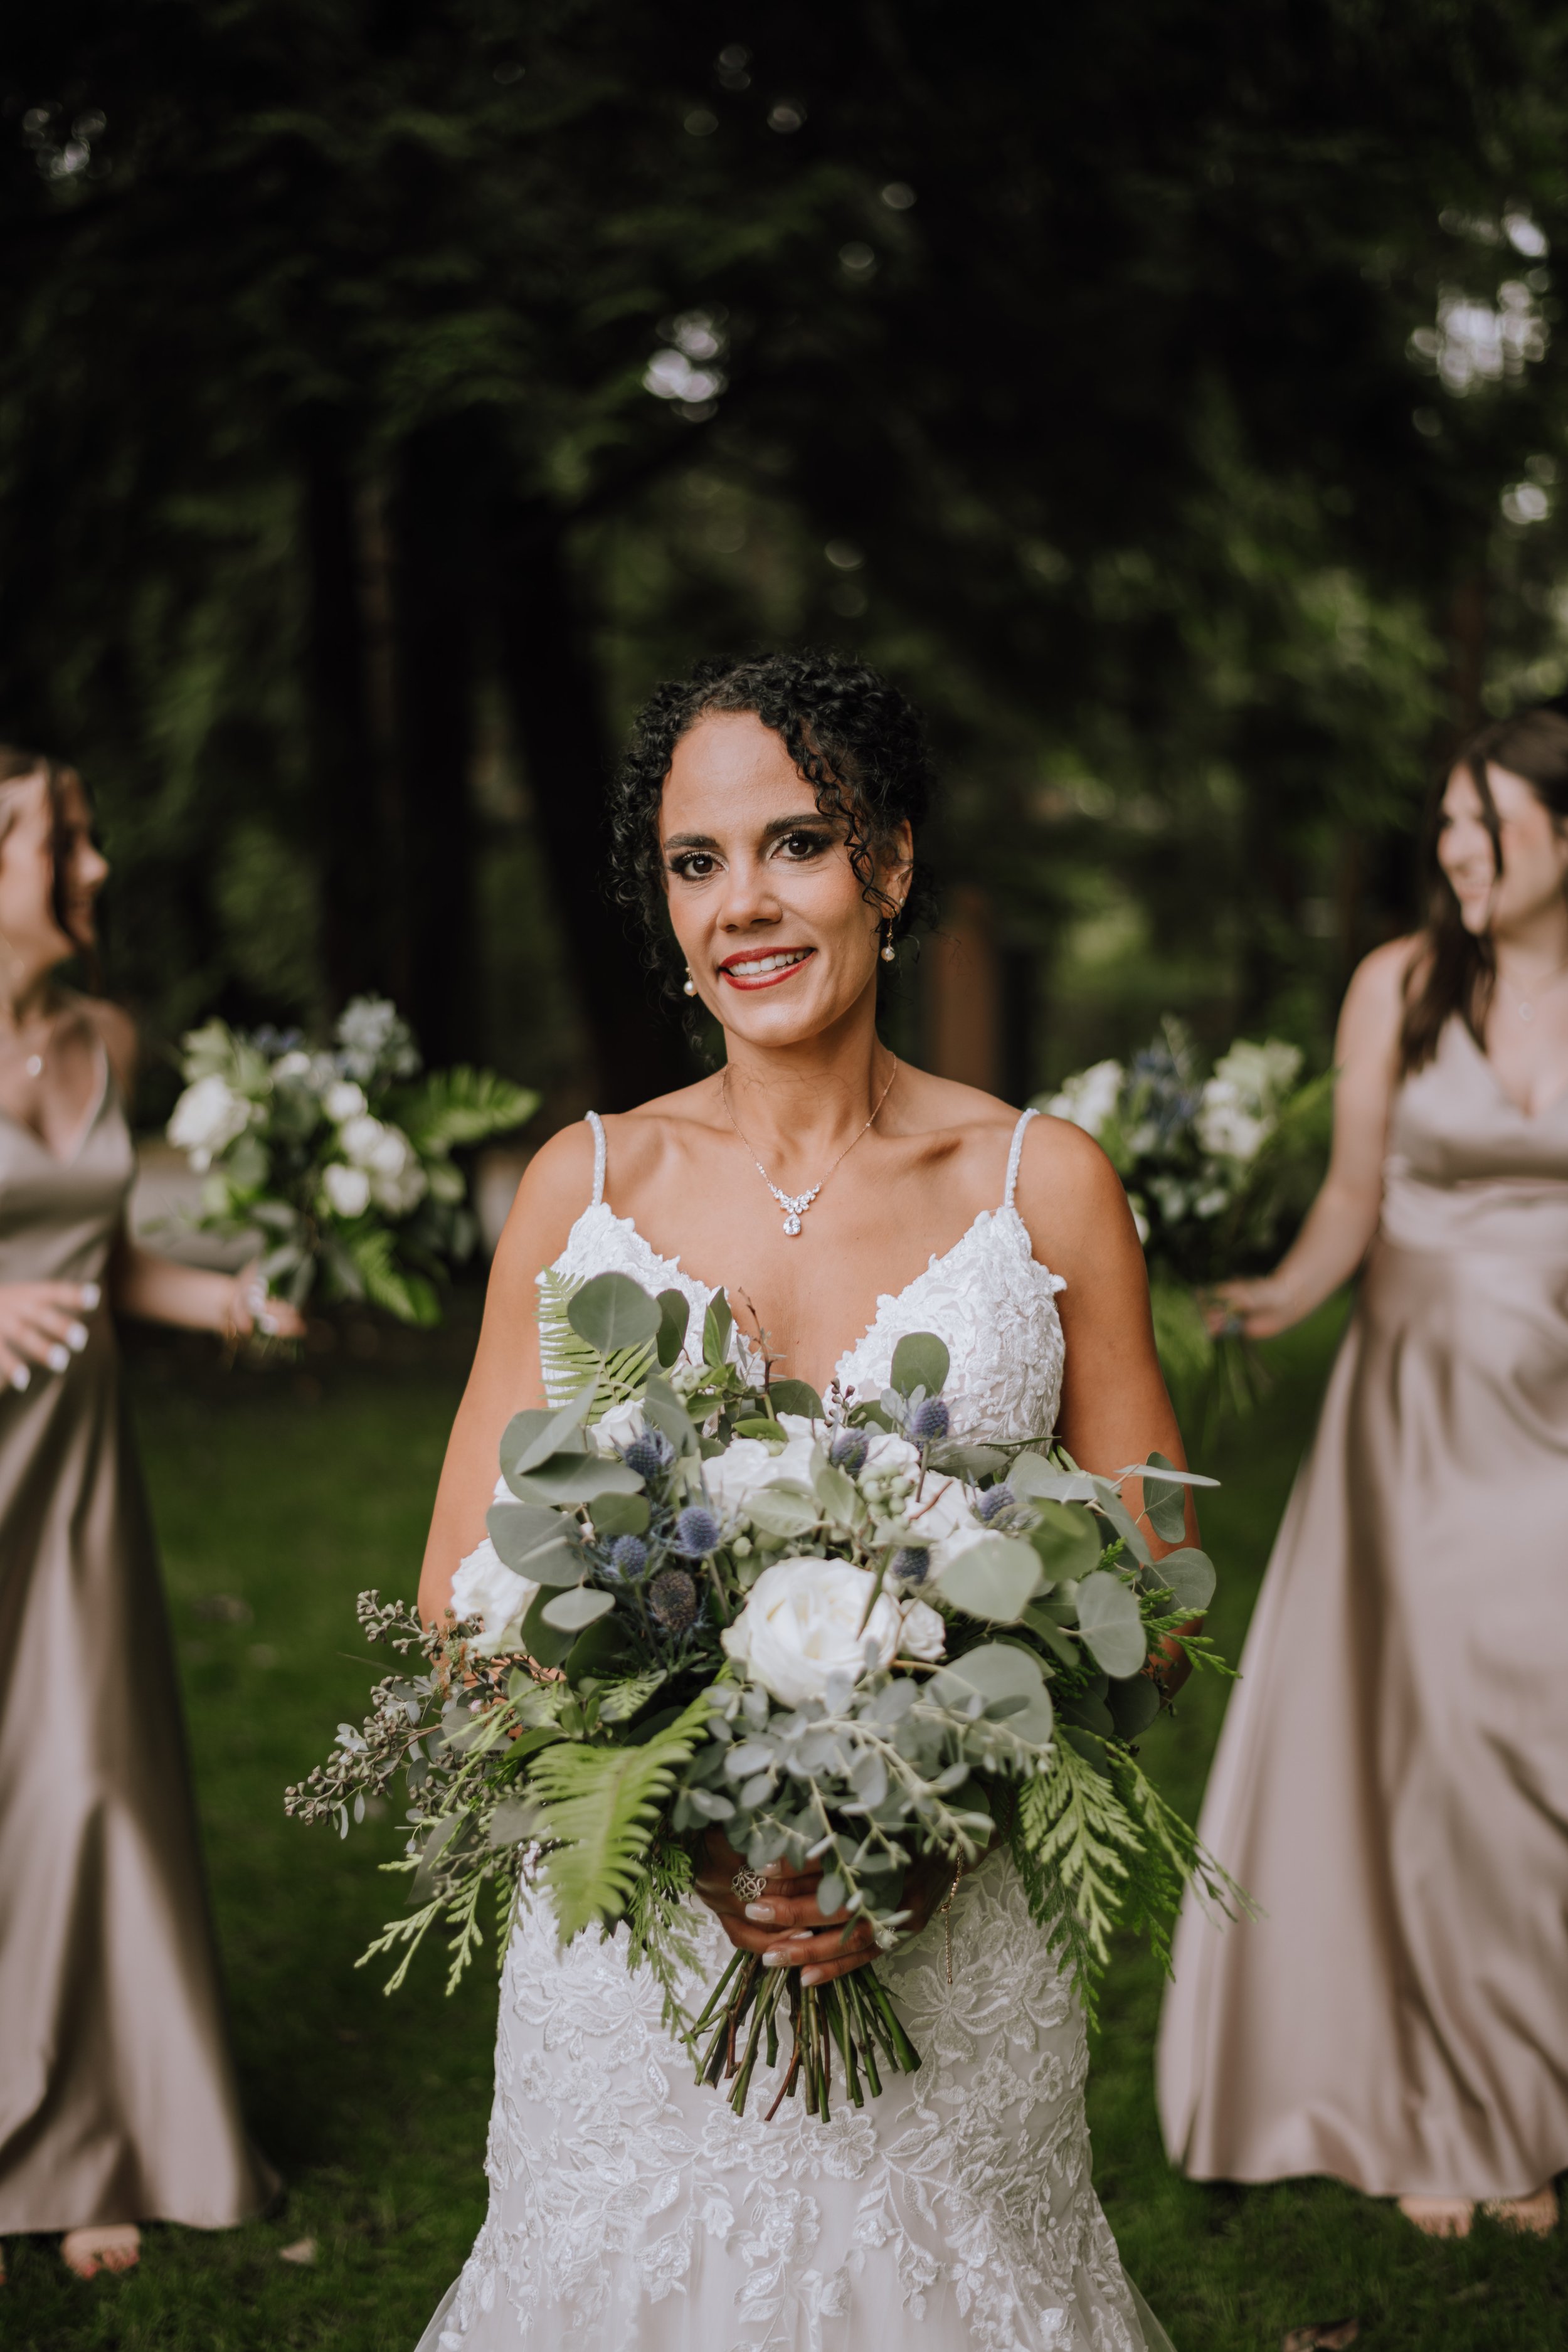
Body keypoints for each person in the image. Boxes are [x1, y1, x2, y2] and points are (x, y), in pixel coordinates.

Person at [413, 652, 1199, 2352]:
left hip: (951, 1940)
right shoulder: (586, 1185)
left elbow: (1159, 1581)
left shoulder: (1039, 1184)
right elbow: (460, 1602)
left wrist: (936, 1825)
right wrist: (674, 1809)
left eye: (796, 844)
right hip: (637, 1960)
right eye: (697, 862)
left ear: (892, 866)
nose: (742, 906)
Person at [1157, 707, 1568, 2239]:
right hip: (1417, 1425)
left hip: (1558, 1427)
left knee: (1543, 1760)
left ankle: (1525, 2079)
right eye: (1446, 827)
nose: (1455, 850)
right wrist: (1268, 1297)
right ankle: (1455, 2117)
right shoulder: (1394, 986)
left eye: (1489, 824)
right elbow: (1350, 1200)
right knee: (1441, 1760)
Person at [0, 746, 299, 2282]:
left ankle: (87, 2139)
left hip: (74, 1468)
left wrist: (228, 1299)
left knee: (90, 1777)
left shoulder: (103, 1034)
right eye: (66, 845)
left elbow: (101, 1264)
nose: (99, 870)